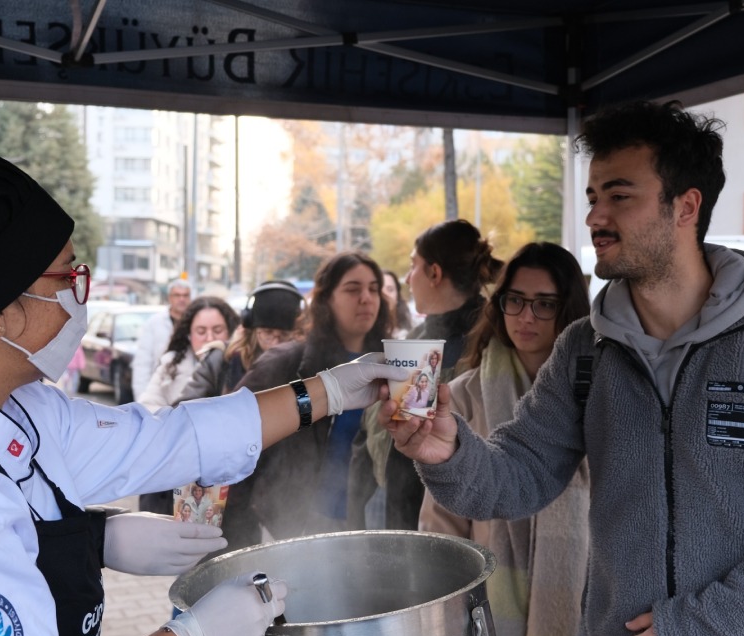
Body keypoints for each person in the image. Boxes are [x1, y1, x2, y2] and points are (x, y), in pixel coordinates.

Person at [0, 148, 406, 636]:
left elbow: (169, 439)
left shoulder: (9, 409)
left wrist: (330, 390)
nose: (85, 293)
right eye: (67, 277)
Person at [385, 101, 744, 636]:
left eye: (620, 196)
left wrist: (699, 633)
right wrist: (449, 452)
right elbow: (518, 476)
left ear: (685, 206)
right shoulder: (584, 350)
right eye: (594, 197)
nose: (596, 217)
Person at [417, 242, 591, 636]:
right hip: (486, 602)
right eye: (515, 300)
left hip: (581, 594)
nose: (526, 316)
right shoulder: (463, 394)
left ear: (568, 309)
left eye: (545, 304)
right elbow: (442, 524)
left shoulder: (600, 395)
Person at [222, 252, 390, 551]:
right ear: (325, 299)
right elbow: (233, 440)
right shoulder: (285, 364)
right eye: (353, 289)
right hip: (293, 529)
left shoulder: (392, 367)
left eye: (374, 288)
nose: (366, 298)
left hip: (368, 530)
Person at [351, 218, 502, 530]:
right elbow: (371, 442)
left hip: (458, 531)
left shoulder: (490, 349)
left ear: (435, 273)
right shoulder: (416, 342)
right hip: (401, 525)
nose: (407, 278)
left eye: (413, 266)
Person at [174, 280, 304, 404]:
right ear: (251, 329)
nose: (276, 343)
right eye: (267, 333)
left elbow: (311, 414)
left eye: (285, 335)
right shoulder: (221, 359)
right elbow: (182, 413)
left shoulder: (306, 365)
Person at [137, 297, 240, 412]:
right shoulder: (170, 364)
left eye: (218, 330)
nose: (210, 338)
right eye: (201, 332)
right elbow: (147, 407)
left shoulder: (242, 363)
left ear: (231, 332)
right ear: (189, 334)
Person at [132, 279, 194, 401]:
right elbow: (143, 363)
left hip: (188, 392)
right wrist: (141, 398)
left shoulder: (196, 324)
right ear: (170, 298)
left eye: (185, 295)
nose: (182, 299)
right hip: (158, 391)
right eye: (177, 295)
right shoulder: (154, 323)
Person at [382, 270, 413, 338]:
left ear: (398, 296)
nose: (385, 294)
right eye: (379, 290)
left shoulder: (412, 328)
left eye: (390, 289)